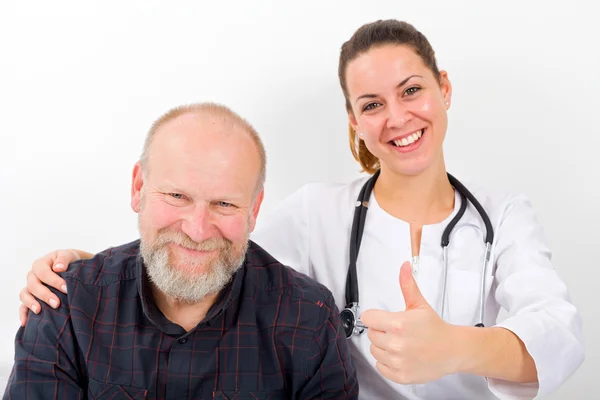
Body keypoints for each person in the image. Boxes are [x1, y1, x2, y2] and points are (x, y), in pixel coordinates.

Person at [16, 20, 583, 400]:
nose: (398, 117)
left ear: (444, 89)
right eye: (371, 104)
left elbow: (561, 336)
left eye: (412, 91)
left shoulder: (504, 216)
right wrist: (88, 276)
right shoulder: (316, 212)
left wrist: (455, 347)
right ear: (354, 122)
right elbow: (211, 247)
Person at [4, 104, 358, 399]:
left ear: (254, 209)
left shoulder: (308, 319)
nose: (197, 230)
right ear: (138, 187)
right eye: (177, 196)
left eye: (224, 203)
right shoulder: (65, 305)